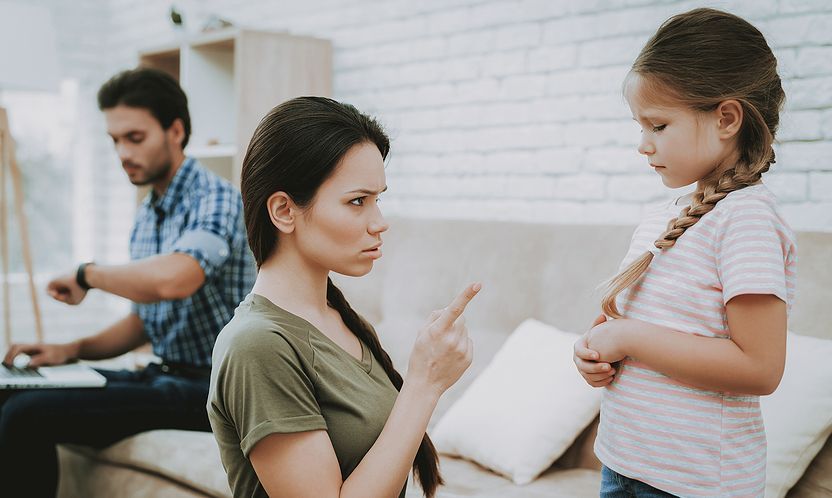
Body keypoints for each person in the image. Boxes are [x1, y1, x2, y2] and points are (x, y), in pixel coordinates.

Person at [0, 67, 256, 497]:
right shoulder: (147, 215)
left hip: (214, 389)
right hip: (162, 374)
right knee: (12, 391)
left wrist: (88, 274)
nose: (121, 152)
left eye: (134, 138)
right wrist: (71, 351)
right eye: (114, 140)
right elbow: (146, 322)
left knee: (29, 414)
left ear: (175, 131)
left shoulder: (217, 199)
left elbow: (177, 279)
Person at [572, 8, 796, 498]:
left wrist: (629, 337)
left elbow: (760, 368)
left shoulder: (748, 219)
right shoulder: (664, 213)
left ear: (727, 118)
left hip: (693, 485)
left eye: (657, 125)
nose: (643, 145)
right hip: (623, 464)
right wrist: (592, 351)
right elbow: (622, 322)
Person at [208, 96, 480, 498]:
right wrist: (424, 384)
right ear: (284, 211)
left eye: (378, 199)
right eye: (357, 201)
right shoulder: (258, 346)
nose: (380, 222)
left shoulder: (340, 319)